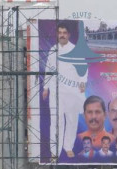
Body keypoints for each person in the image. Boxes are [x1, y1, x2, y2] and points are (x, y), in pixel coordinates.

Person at [43, 22, 88, 158]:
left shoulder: (75, 50)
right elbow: (48, 69)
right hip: (56, 92)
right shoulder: (52, 50)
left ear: (68, 34)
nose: (62, 35)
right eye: (60, 33)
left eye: (64, 33)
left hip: (72, 91)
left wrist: (82, 83)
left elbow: (83, 68)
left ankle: (68, 147)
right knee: (56, 121)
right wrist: (45, 87)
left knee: (71, 120)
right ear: (57, 34)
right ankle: (54, 151)